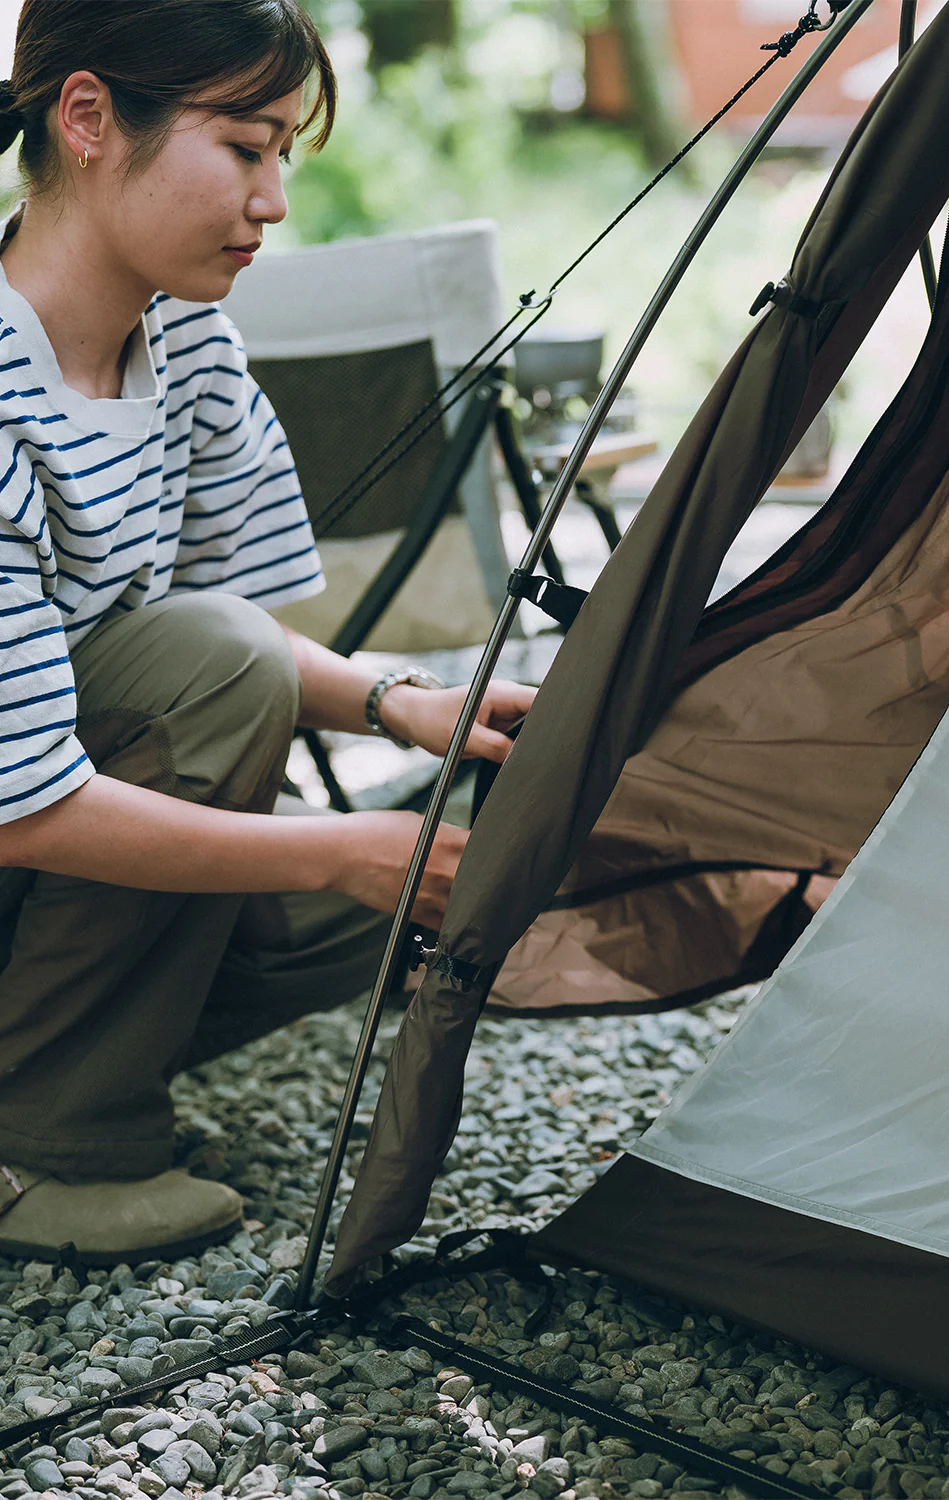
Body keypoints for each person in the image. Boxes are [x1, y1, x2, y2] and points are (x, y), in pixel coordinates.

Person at [0, 0, 534, 1263]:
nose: (276, 200)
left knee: (364, 908)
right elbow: (23, 801)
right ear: (87, 118)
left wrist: (405, 703)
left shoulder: (180, 335)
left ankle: (52, 1072)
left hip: (39, 818)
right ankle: (47, 1146)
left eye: (285, 152)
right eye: (246, 148)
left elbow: (198, 628)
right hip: (22, 813)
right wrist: (338, 845)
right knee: (331, 851)